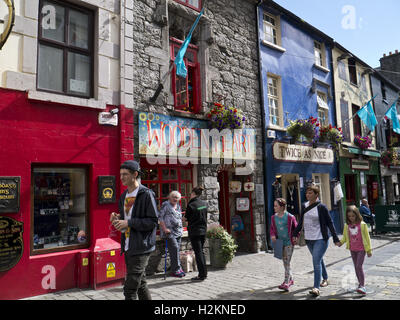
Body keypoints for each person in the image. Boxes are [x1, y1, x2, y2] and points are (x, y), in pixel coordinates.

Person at [110, 160, 159, 300]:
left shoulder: (146, 194)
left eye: (125, 174)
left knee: (129, 290)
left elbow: (152, 221)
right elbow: (126, 217)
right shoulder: (124, 196)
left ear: (135, 174)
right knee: (141, 284)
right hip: (128, 246)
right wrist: (116, 217)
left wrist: (128, 222)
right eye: (120, 174)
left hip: (141, 247)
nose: (121, 177)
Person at [292, 185, 340, 297]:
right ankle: (326, 278)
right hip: (309, 239)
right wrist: (295, 234)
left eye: (310, 193)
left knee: (315, 261)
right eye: (307, 193)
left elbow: (330, 223)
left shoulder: (322, 207)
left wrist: (335, 238)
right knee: (319, 259)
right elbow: (301, 222)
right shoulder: (304, 206)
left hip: (321, 238)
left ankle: (316, 287)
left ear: (316, 195)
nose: (308, 195)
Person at [338, 205, 372, 295]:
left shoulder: (362, 225)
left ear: (357, 215)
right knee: (356, 267)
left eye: (353, 216)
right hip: (353, 249)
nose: (351, 218)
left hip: (361, 249)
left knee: (358, 266)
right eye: (349, 216)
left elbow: (367, 238)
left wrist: (369, 250)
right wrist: (340, 243)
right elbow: (345, 237)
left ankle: (362, 286)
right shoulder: (347, 226)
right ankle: (360, 284)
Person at [270, 198, 298, 291]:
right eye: (274, 205)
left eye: (276, 206)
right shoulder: (274, 217)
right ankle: (291, 278)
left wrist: (295, 236)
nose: (274, 207)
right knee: (285, 262)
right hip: (280, 243)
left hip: (289, 243)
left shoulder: (290, 217)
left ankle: (286, 282)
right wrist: (273, 235)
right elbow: (272, 229)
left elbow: (296, 228)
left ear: (282, 207)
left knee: (287, 262)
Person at [159, 191, 185, 278]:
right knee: (175, 249)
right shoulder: (165, 205)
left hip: (178, 231)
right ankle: (176, 269)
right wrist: (165, 228)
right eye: (173, 197)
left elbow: (179, 217)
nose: (175, 199)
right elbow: (160, 218)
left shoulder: (178, 206)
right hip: (169, 232)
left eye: (177, 197)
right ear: (169, 197)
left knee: (176, 251)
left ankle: (177, 268)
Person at [183, 186, 208, 281]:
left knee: (198, 253)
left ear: (193, 193)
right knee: (201, 252)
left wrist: (184, 219)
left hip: (195, 231)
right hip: (203, 230)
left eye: (191, 193)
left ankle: (202, 275)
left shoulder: (191, 204)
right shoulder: (204, 203)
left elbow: (185, 218)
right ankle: (204, 273)